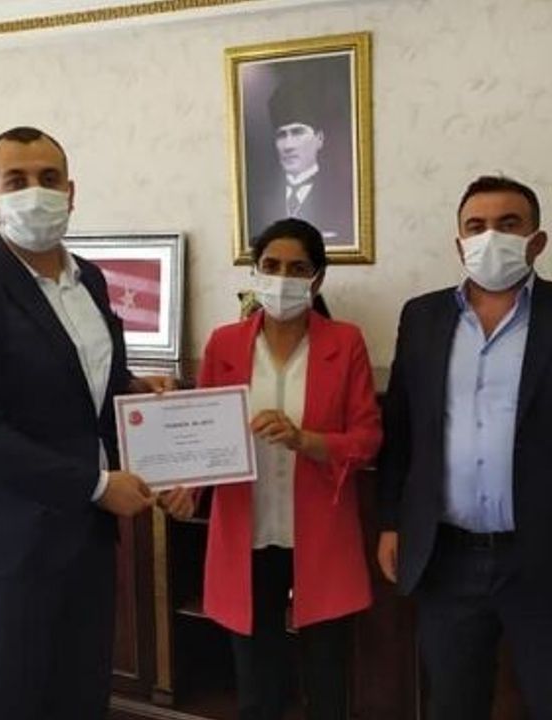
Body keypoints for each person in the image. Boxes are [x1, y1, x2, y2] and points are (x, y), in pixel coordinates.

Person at [0, 126, 193, 720]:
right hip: (5, 552)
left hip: (83, 543)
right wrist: (97, 485)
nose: (35, 192)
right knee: (13, 707)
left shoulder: (88, 279)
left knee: (81, 702)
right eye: (15, 181)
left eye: (48, 178)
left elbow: (78, 386)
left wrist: (133, 391)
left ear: (71, 191)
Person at [376, 175, 552, 720]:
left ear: (536, 240)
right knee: (452, 706)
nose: (490, 237)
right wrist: (391, 522)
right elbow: (402, 433)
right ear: (460, 244)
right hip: (447, 558)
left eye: (508, 224)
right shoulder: (422, 318)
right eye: (476, 226)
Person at [194, 218, 382, 720]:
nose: (282, 278)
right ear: (255, 272)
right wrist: (185, 487)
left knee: (326, 683)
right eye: (271, 265)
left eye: (297, 268)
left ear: (318, 278)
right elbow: (202, 432)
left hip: (319, 535)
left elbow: (367, 440)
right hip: (246, 534)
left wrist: (306, 440)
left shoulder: (346, 342)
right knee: (257, 688)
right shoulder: (223, 343)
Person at [246, 77, 354, 247]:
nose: (288, 146)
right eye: (281, 135)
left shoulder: (343, 195)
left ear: (319, 139)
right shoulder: (258, 201)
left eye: (298, 133)